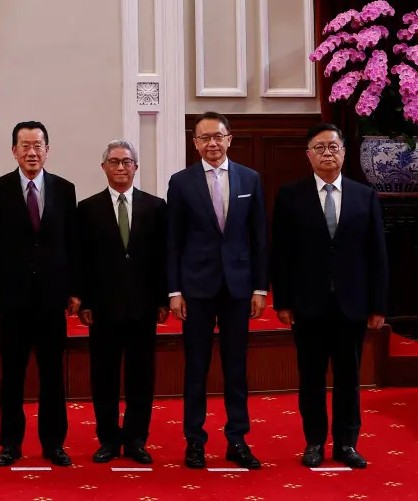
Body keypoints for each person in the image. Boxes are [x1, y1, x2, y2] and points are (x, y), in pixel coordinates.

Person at [272, 123, 388, 470]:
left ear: (343, 152)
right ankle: (314, 443)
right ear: (308, 155)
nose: (327, 153)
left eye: (333, 147)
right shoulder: (290, 196)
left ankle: (347, 444)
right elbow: (281, 253)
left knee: (349, 379)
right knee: (311, 379)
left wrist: (378, 304)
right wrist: (284, 301)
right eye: (319, 147)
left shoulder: (364, 195)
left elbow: (377, 255)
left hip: (352, 304)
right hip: (308, 304)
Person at [167, 111, 268, 470]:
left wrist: (260, 287)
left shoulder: (250, 179)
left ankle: (237, 439)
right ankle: (194, 441)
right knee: (196, 367)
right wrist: (174, 291)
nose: (212, 143)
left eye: (218, 137)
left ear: (229, 139)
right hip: (196, 288)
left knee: (236, 367)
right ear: (195, 143)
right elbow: (173, 241)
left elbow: (259, 238)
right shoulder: (180, 183)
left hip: (239, 288)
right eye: (204, 138)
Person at [0, 121, 80, 468]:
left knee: (53, 373)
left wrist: (74, 290)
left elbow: (73, 245)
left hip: (53, 298)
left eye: (37, 145)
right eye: (24, 145)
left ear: (47, 150)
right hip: (13, 297)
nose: (31, 151)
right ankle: (10, 443)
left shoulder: (64, 190)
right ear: (14, 151)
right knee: (12, 373)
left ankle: (54, 444)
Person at [77, 139, 169, 465]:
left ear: (135, 167)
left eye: (126, 162)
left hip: (144, 308)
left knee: (141, 378)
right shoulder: (86, 209)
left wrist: (163, 299)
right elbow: (82, 261)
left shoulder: (157, 207)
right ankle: (108, 440)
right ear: (104, 167)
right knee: (103, 378)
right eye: (114, 162)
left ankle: (135, 440)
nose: (120, 167)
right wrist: (84, 302)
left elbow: (162, 259)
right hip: (102, 310)